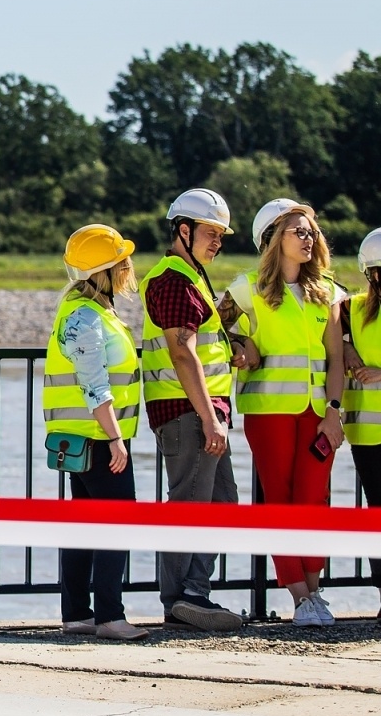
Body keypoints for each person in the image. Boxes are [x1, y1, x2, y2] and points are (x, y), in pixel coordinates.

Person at [221, 199, 344, 628]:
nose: (309, 238)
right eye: (299, 231)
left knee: (314, 501)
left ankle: (315, 592)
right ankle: (298, 596)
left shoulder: (326, 291)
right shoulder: (246, 288)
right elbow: (215, 329)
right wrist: (240, 346)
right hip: (269, 412)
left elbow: (335, 359)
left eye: (312, 231)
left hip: (318, 416)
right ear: (273, 239)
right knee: (281, 500)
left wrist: (334, 412)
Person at [139, 188, 244, 632]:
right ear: (184, 230)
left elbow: (202, 345)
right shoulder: (175, 279)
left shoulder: (192, 277)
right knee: (190, 503)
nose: (217, 241)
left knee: (221, 501)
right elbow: (182, 353)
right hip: (188, 412)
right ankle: (179, 597)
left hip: (201, 409)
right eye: (210, 232)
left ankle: (193, 593)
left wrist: (235, 345)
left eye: (221, 234)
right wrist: (208, 417)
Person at [42, 225, 147, 641]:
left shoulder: (88, 312)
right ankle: (109, 615)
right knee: (117, 523)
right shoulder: (86, 316)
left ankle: (78, 614)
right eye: (123, 261)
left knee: (85, 524)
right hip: (98, 440)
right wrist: (116, 438)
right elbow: (94, 384)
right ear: (107, 270)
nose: (128, 267)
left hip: (81, 439)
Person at [340, 228, 381, 623]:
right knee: (376, 517)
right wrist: (348, 347)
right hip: (367, 435)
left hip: (367, 433)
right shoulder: (350, 308)